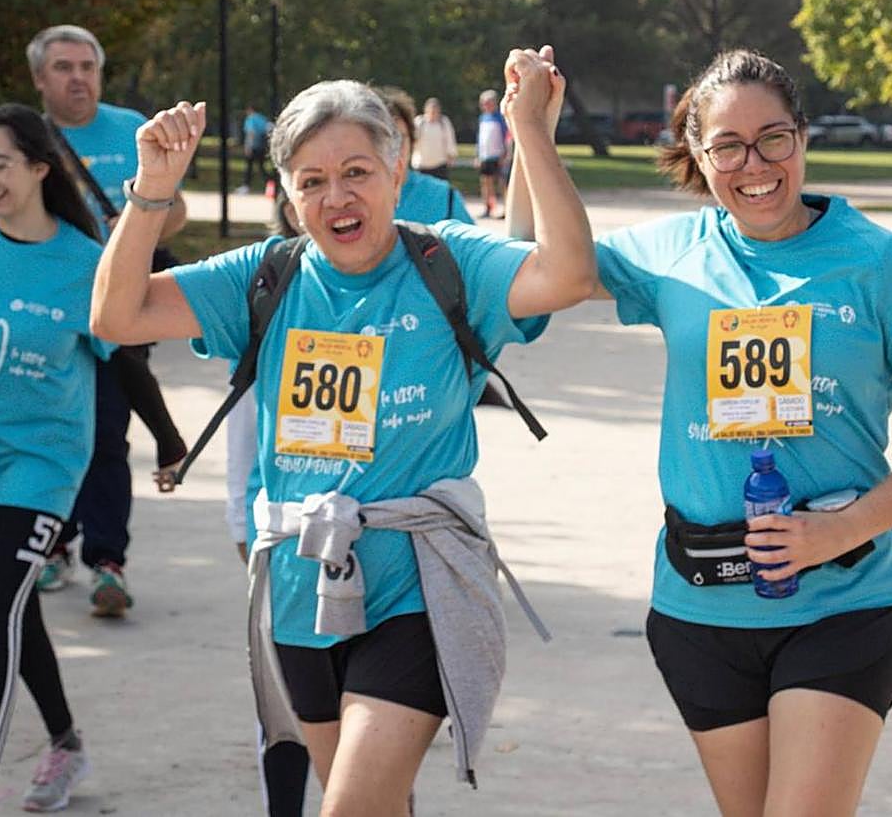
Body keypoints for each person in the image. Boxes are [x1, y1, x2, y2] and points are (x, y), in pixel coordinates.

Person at [89, 49, 594, 815]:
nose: (337, 198)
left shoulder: (444, 264)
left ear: (398, 173)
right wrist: (152, 194)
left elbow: (567, 274)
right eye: (312, 181)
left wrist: (529, 129)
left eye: (357, 172)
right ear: (289, 195)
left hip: (420, 587)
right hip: (300, 592)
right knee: (378, 804)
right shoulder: (269, 277)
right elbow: (116, 316)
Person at [509, 47, 892, 816]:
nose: (754, 163)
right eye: (727, 145)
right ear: (699, 157)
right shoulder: (672, 254)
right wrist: (530, 129)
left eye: (773, 137)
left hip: (841, 600)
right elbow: (538, 270)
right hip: (701, 609)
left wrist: (843, 531)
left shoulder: (878, 263)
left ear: (801, 137)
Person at [0, 103, 111, 815]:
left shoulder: (84, 262)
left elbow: (125, 361)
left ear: (41, 168)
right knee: (15, 614)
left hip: (42, 464)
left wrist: (169, 443)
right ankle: (67, 742)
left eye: (0, 164)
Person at [27, 24, 188, 615]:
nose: (78, 78)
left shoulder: (132, 129)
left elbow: (179, 210)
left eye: (87, 67)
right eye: (64, 67)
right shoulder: (28, 137)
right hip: (45, 311)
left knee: (107, 432)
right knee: (52, 431)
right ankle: (52, 545)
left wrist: (141, 222)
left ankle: (107, 561)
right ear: (40, 78)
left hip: (120, 306)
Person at [376, 87, 474, 224]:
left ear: (412, 142)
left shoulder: (445, 199)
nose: (392, 149)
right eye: (382, 139)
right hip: (423, 163)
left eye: (399, 138)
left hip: (438, 164)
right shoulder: (343, 201)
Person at [476, 89, 509, 218]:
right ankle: (488, 207)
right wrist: (477, 155)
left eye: (489, 102)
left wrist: (505, 153)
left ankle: (507, 210)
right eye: (484, 103)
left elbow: (506, 137)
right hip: (485, 155)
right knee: (486, 184)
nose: (486, 105)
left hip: (498, 155)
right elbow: (480, 138)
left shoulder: (500, 118)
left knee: (502, 184)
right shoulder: (482, 118)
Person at [411, 97, 457, 181]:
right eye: (431, 111)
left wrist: (451, 155)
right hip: (421, 164)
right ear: (426, 110)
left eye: (435, 111)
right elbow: (412, 140)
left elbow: (450, 139)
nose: (433, 113)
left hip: (440, 163)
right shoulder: (419, 122)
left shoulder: (444, 122)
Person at [240, 105, 272, 193]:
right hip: (262, 146)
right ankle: (271, 183)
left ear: (250, 110)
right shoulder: (263, 119)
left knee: (249, 167)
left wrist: (248, 146)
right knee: (261, 167)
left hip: (253, 146)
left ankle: (246, 186)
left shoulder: (250, 119)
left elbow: (251, 133)